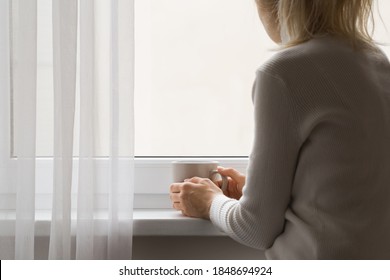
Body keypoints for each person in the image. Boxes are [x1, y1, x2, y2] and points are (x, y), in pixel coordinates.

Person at [169, 0, 390, 259]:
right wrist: (261, 194)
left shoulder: (284, 72)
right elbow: (343, 197)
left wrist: (209, 202)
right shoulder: (378, 64)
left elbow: (254, 229)